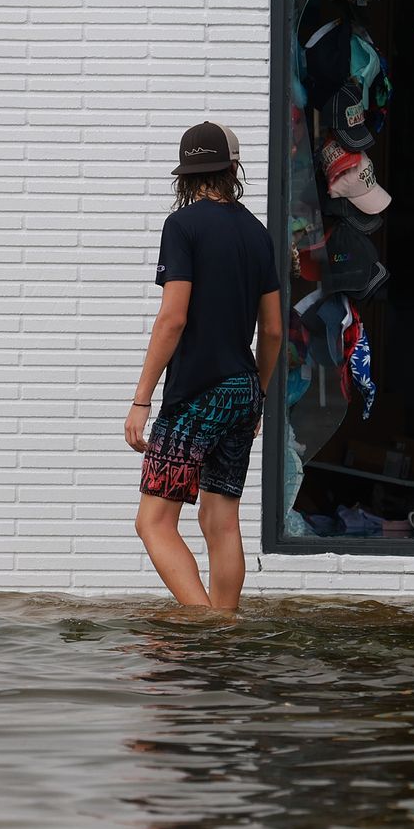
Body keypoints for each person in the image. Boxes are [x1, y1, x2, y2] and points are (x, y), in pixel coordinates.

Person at [124, 123, 283, 611]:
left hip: (195, 395)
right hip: (241, 392)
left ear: (187, 175)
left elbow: (173, 318)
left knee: (153, 521)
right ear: (233, 169)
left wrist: (141, 400)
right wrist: (257, 395)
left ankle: (205, 625)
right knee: (221, 519)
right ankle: (226, 625)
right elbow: (273, 331)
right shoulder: (258, 233)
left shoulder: (183, 226)